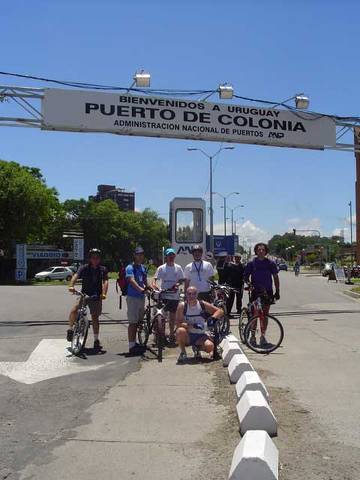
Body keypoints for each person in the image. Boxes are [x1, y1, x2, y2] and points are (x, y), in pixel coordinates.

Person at [67, 248, 108, 350]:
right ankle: (70, 329)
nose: (95, 259)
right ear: (90, 259)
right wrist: (71, 286)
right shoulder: (84, 268)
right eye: (93, 257)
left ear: (99, 259)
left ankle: (96, 340)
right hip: (84, 294)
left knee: (95, 317)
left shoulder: (103, 269)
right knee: (74, 310)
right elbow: (76, 276)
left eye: (97, 258)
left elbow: (105, 282)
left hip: (96, 296)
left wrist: (104, 293)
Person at [243, 243, 280, 347]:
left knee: (265, 314)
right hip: (255, 292)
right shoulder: (251, 263)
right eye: (259, 250)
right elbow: (245, 277)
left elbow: (276, 277)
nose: (261, 251)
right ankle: (252, 336)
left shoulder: (270, 263)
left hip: (267, 292)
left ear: (266, 251)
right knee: (255, 314)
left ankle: (263, 336)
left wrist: (277, 291)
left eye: (263, 250)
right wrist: (249, 284)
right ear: (256, 251)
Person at [175, 286, 224, 364]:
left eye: (193, 294)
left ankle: (197, 348)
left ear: (197, 295)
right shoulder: (182, 306)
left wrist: (213, 318)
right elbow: (178, 323)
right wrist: (192, 325)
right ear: (186, 295)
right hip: (188, 335)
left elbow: (220, 311)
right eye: (189, 294)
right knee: (180, 331)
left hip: (201, 335)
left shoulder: (202, 304)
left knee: (210, 347)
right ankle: (183, 352)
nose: (191, 296)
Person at [151, 248, 185, 345]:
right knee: (162, 316)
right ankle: (160, 335)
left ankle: (171, 335)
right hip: (164, 294)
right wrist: (155, 286)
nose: (171, 257)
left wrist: (177, 284)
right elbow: (155, 279)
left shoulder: (178, 267)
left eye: (172, 255)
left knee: (173, 317)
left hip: (174, 295)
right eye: (169, 255)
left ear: (174, 256)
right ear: (166, 257)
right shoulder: (161, 268)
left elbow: (181, 279)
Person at [125, 246, 150, 355]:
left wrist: (150, 289)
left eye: (142, 254)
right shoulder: (130, 267)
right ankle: (131, 346)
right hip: (133, 297)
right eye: (138, 254)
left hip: (141, 297)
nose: (140, 256)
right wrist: (140, 289)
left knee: (139, 321)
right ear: (134, 255)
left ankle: (136, 343)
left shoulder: (142, 267)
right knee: (133, 322)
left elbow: (145, 281)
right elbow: (131, 280)